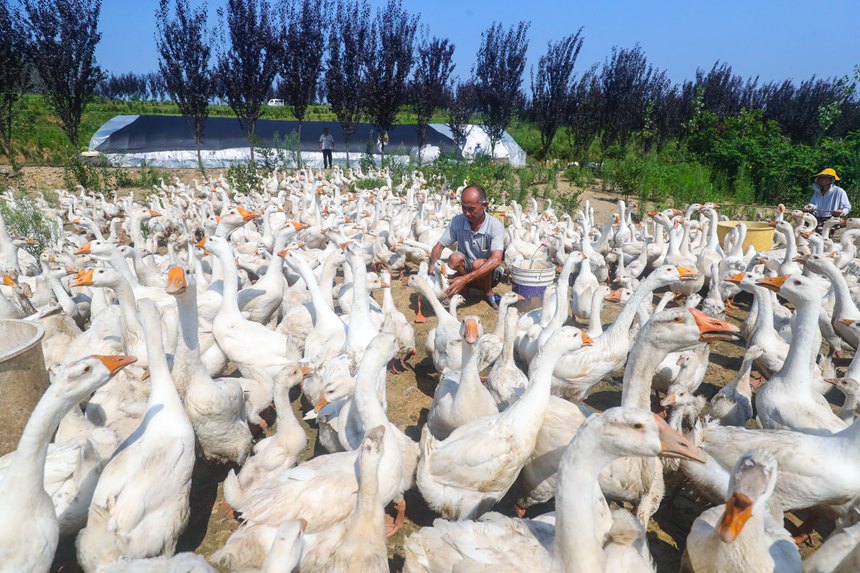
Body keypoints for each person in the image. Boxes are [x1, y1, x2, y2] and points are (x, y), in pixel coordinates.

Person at [428, 185, 505, 309]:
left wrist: (464, 279)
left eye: (471, 209)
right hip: (467, 269)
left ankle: (488, 292)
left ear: (484, 206)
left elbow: (496, 259)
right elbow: (439, 246)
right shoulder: (457, 221)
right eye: (463, 208)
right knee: (454, 258)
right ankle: (464, 288)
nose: (466, 213)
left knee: (478, 263)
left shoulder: (495, 226)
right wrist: (432, 269)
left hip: (489, 275)